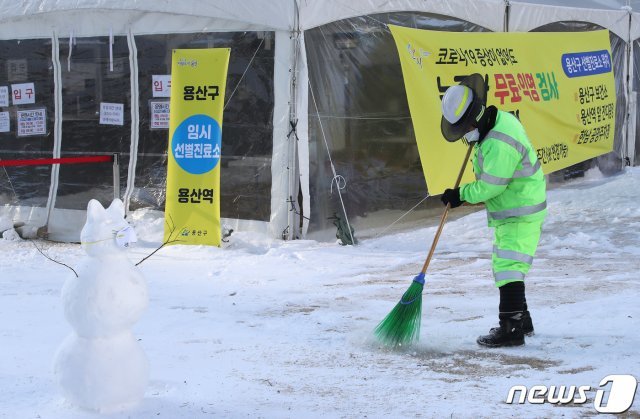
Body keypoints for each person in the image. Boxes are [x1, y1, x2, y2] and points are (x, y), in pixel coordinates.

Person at [439, 73, 547, 348]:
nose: (465, 135)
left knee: (508, 266)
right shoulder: (499, 120)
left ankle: (511, 329)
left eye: (465, 129)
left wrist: (459, 195)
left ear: (473, 120)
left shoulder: (497, 142)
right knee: (510, 264)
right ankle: (522, 320)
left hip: (520, 210)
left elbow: (490, 187)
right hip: (516, 207)